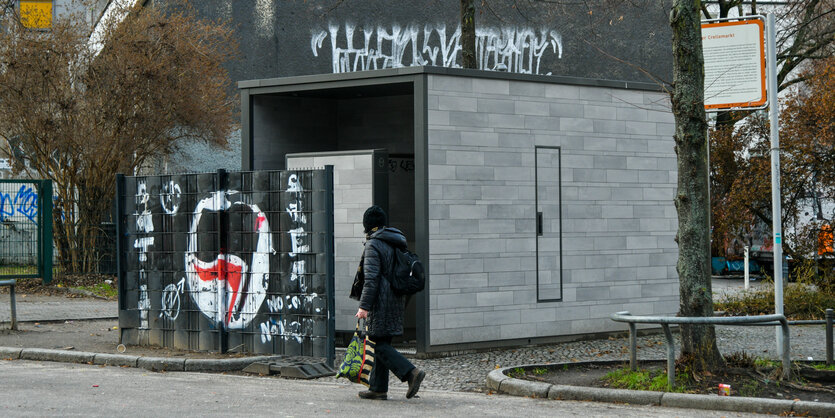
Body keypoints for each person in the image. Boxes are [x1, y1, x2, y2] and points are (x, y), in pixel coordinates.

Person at [355, 205, 425, 400]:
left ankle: (411, 372)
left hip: (380, 301)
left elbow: (371, 279)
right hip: (396, 298)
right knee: (382, 340)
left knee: (376, 343)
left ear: (367, 225)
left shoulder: (373, 244)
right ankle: (378, 388)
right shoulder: (395, 240)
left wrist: (364, 306)